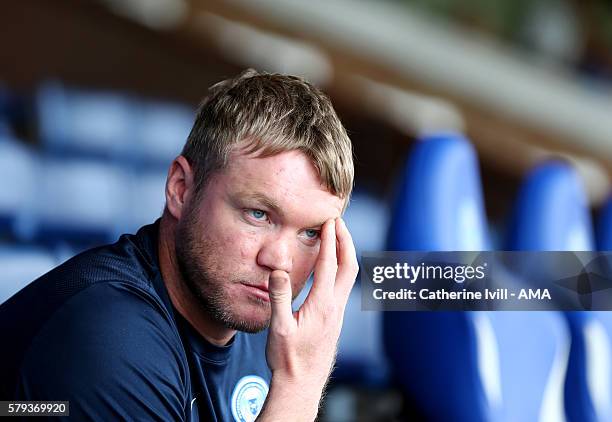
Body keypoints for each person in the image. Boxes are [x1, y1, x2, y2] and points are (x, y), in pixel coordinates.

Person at [0, 69, 358, 421]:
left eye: (310, 233)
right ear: (181, 189)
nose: (279, 261)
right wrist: (300, 382)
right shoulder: (108, 335)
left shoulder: (261, 330)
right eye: (258, 214)